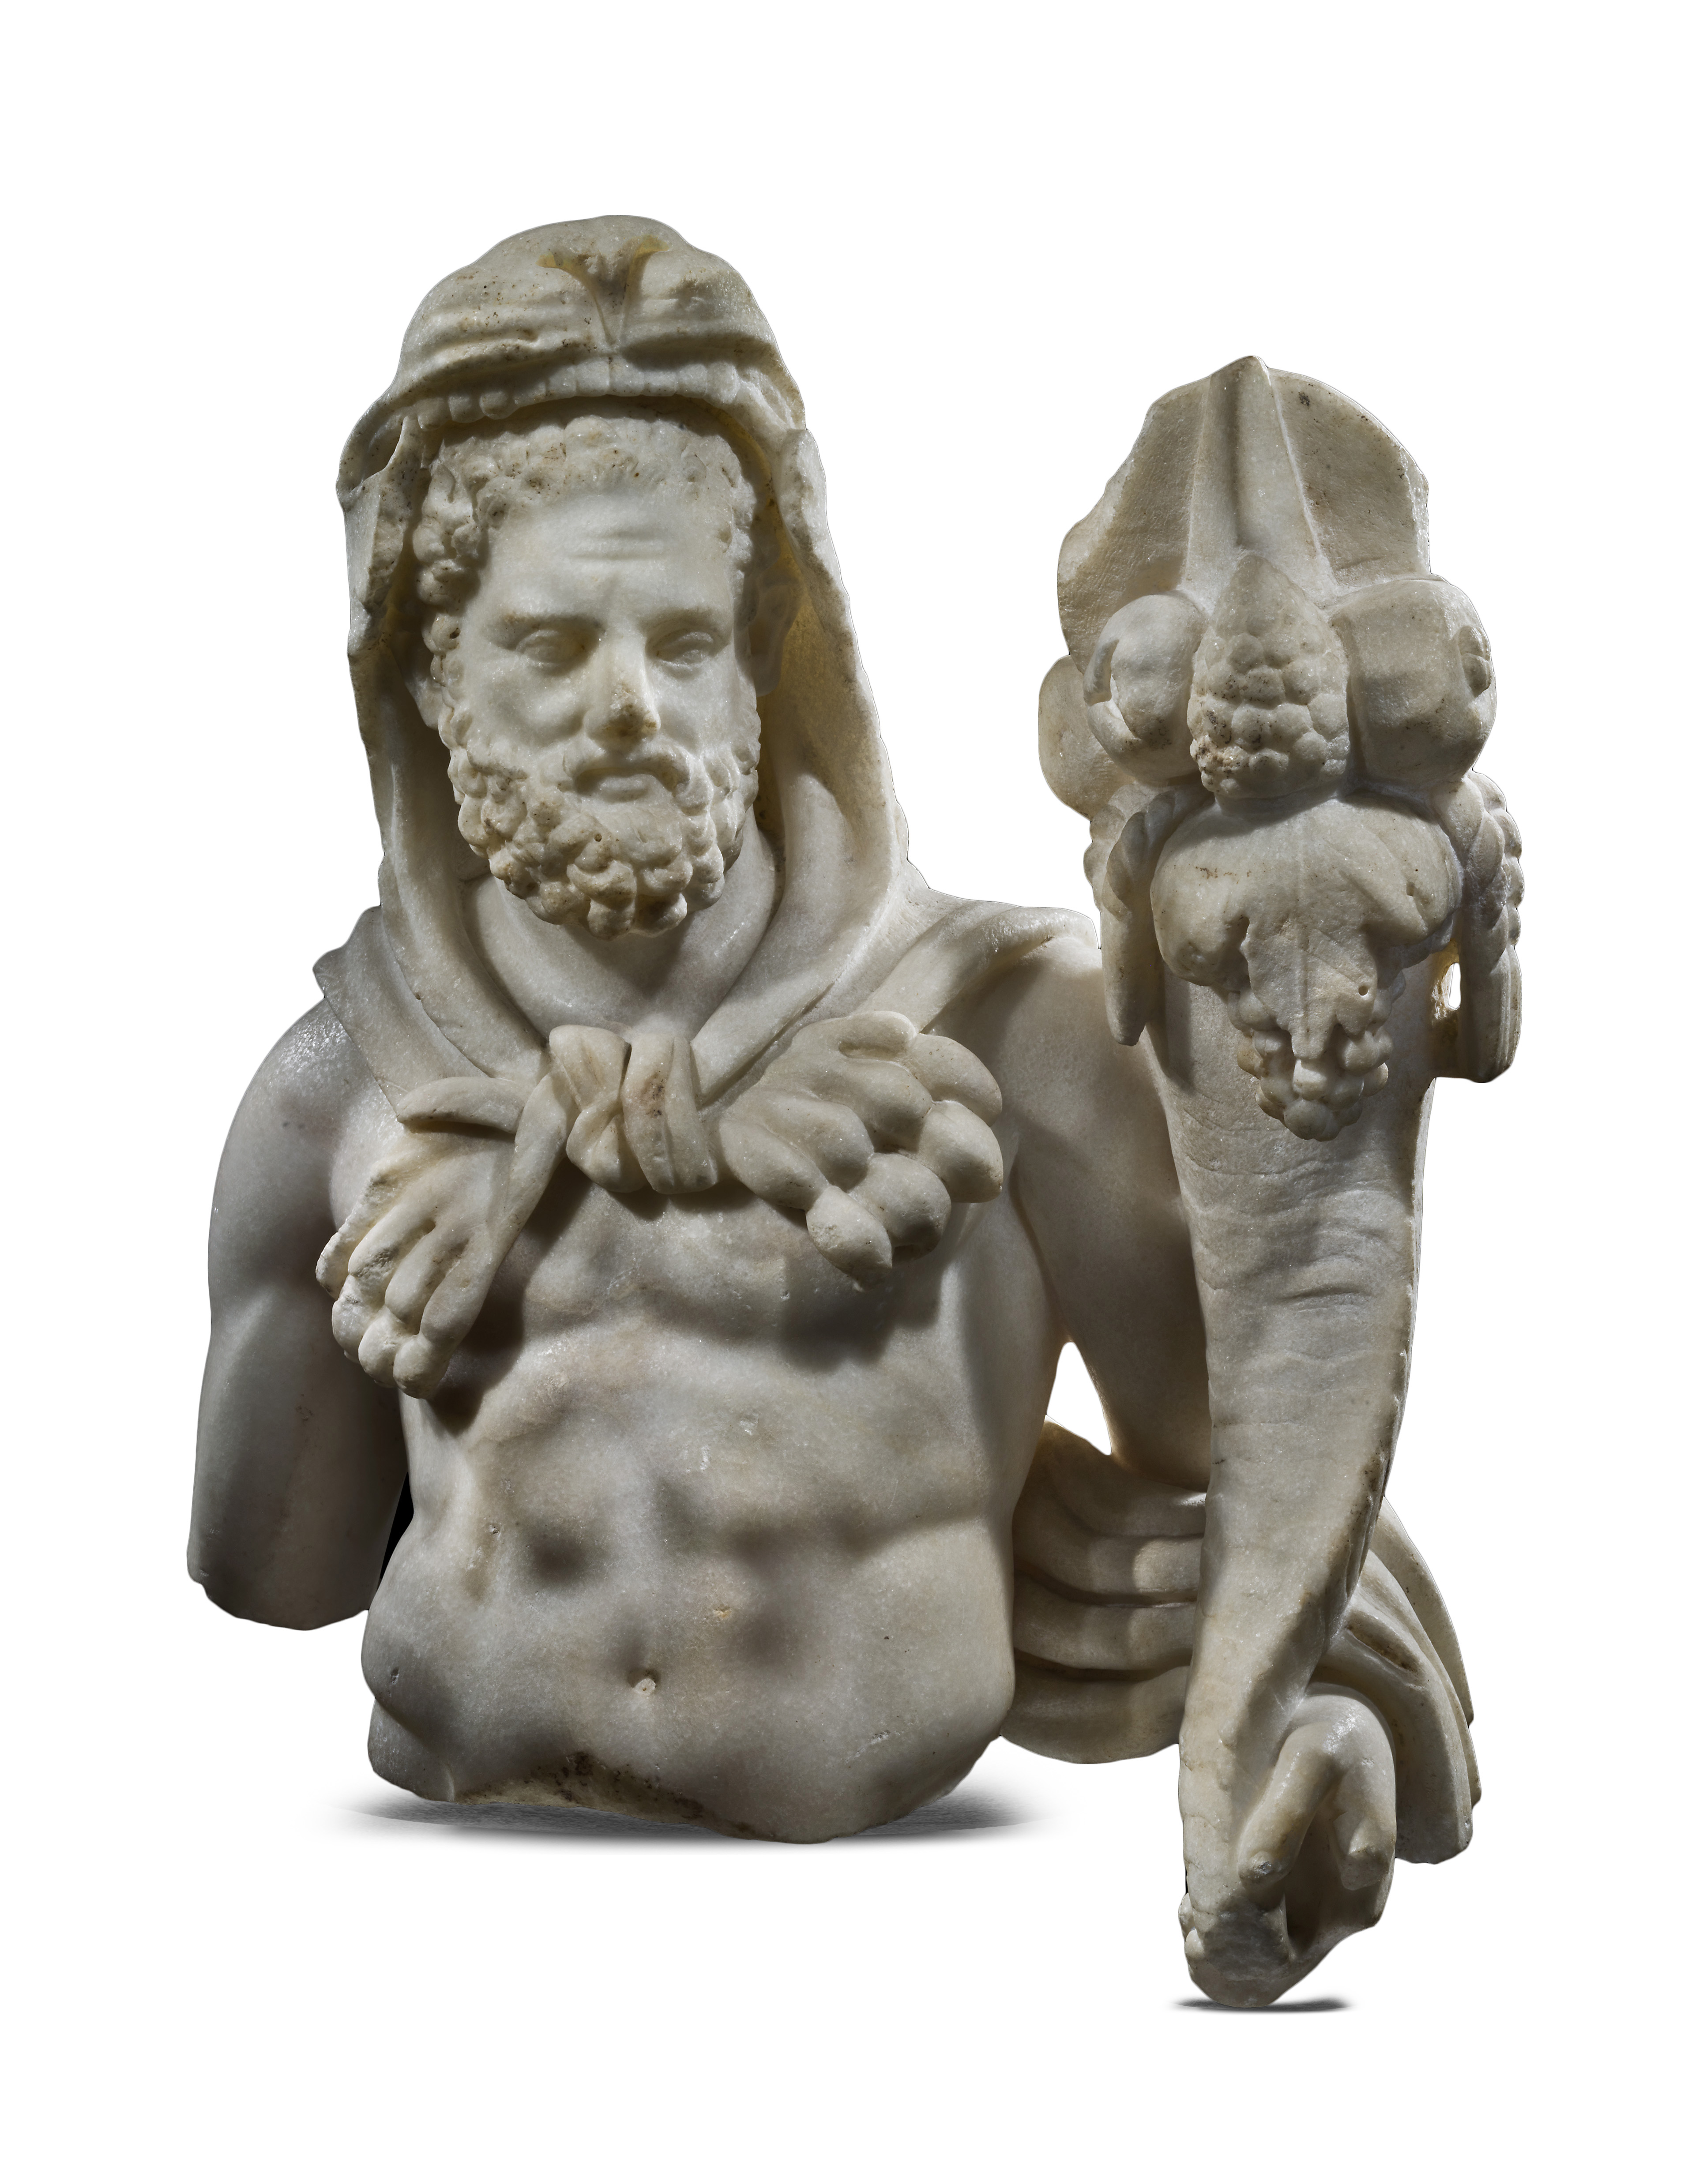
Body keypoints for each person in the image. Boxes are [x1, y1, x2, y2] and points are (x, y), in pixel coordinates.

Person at [191, 219, 1477, 2004]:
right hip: (427, 1942)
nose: (631, 709)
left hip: (880, 1969)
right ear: (422, 670)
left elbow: (1236, 1435)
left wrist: (1284, 1704)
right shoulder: (341, 1084)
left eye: (686, 640)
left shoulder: (1009, 1028)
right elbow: (270, 1569)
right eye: (551, 641)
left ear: (768, 655)